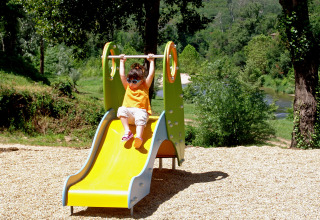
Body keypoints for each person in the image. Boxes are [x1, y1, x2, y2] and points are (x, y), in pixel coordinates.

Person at [117, 54, 155, 148]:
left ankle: (138, 137)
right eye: (129, 80)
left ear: (141, 81)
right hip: (129, 115)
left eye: (134, 82)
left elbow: (151, 74)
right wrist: (122, 62)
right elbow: (122, 75)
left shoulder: (145, 87)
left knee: (140, 114)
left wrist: (152, 61)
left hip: (140, 113)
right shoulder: (128, 87)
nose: (130, 83)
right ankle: (127, 131)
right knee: (121, 109)